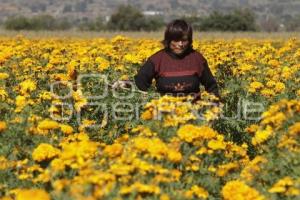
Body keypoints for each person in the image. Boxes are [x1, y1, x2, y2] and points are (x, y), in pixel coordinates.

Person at [133, 19, 219, 102]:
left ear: (189, 41)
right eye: (176, 40)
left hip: (193, 112)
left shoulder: (197, 59)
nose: (180, 44)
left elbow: (211, 86)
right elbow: (140, 83)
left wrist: (214, 108)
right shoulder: (157, 59)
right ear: (168, 40)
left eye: (184, 40)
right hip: (165, 112)